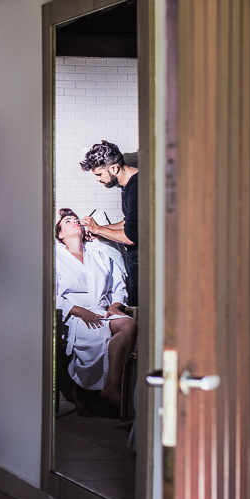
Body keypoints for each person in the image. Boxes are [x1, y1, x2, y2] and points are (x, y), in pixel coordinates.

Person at [55, 208, 137, 416]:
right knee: (97, 337)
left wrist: (116, 305)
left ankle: (111, 387)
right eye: (67, 221)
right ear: (60, 235)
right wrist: (77, 310)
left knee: (129, 324)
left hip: (103, 312)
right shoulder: (54, 259)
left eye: (76, 220)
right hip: (72, 316)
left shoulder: (100, 254)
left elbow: (118, 286)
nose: (74, 222)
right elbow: (47, 293)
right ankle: (83, 390)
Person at [79, 140, 139, 306]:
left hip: (143, 263)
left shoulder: (136, 187)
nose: (98, 180)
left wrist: (97, 229)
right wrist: (99, 230)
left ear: (114, 169)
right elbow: (128, 222)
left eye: (99, 175)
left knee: (143, 312)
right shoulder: (127, 185)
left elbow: (131, 236)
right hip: (137, 261)